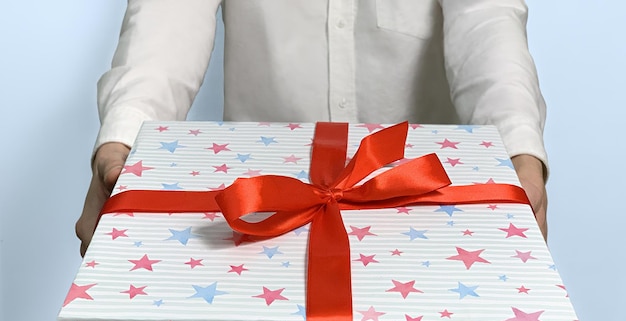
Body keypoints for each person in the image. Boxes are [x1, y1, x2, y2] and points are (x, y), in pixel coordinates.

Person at [76, 0, 548, 256]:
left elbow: (487, 22)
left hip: (423, 212)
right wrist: (125, 136)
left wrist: (518, 149)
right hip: (260, 212)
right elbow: (168, 19)